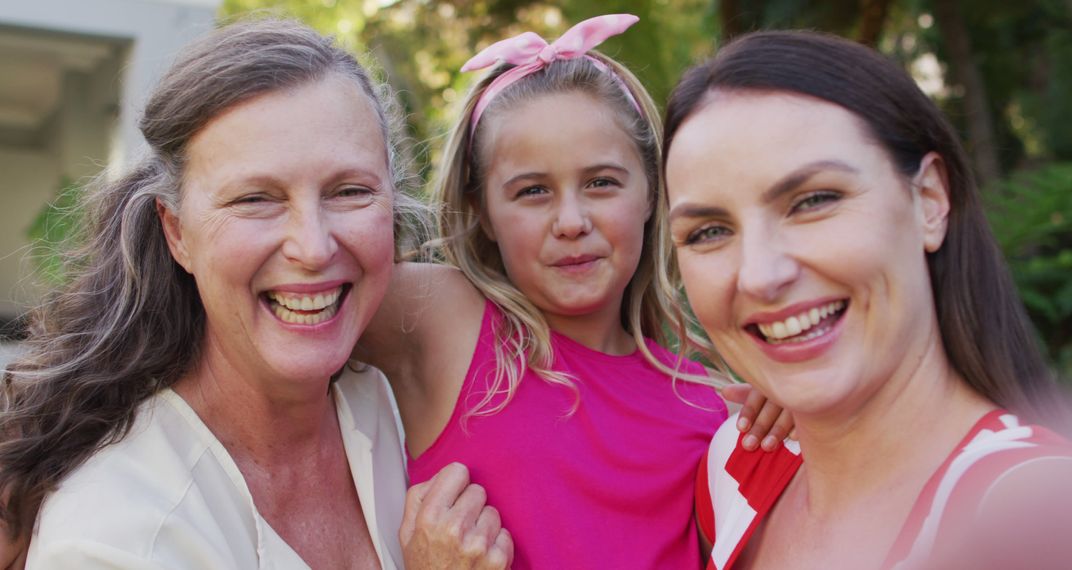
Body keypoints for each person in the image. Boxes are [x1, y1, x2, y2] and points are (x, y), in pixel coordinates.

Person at [0, 19, 510, 569]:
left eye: (350, 192)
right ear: (177, 232)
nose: (313, 248)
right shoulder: (122, 532)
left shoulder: (394, 402)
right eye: (255, 199)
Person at [355, 14, 793, 569]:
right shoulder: (444, 320)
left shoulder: (712, 408)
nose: (571, 221)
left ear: (653, 192)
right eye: (532, 191)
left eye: (601, 183)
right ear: (482, 212)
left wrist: (801, 399)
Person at [662, 30, 1072, 570]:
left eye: (813, 201)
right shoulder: (734, 470)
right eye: (709, 232)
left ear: (929, 200)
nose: (761, 276)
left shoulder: (1033, 513)